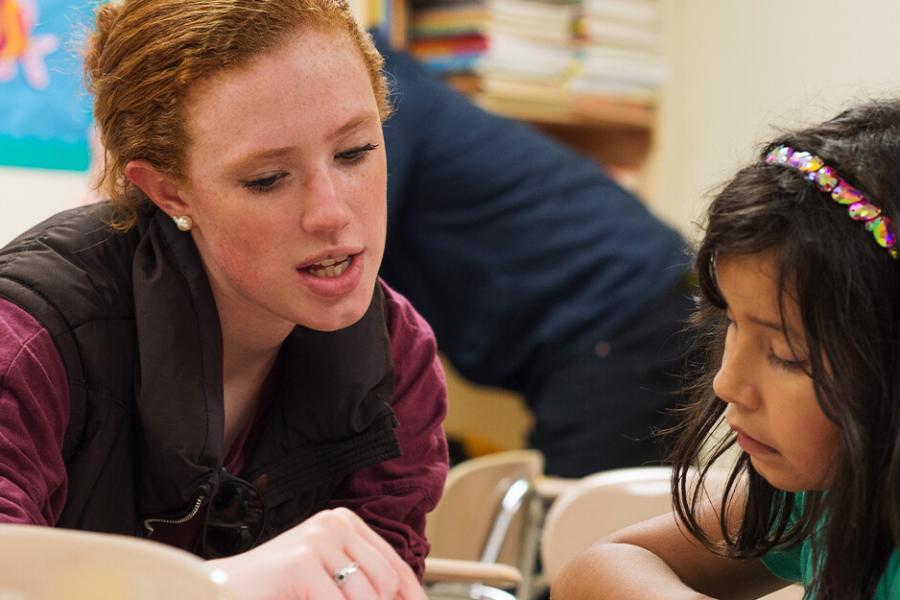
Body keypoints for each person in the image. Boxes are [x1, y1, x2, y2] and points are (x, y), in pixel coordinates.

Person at [0, 1, 448, 598]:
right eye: (266, 179)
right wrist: (208, 586)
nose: (332, 212)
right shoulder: (29, 339)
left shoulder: (393, 351)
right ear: (168, 190)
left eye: (355, 152)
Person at [551, 98, 900, 599]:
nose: (728, 383)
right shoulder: (823, 496)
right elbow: (599, 568)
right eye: (732, 323)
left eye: (786, 354)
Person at [373, 36, 695, 477]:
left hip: (624, 314)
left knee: (576, 531)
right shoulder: (389, 87)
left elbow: (352, 233)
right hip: (631, 308)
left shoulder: (378, 94)